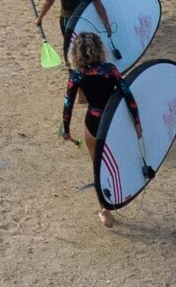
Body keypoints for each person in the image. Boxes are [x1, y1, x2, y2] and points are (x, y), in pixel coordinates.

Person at [61, 31, 145, 228]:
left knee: (98, 168)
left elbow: (68, 104)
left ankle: (105, 210)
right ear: (99, 48)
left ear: (76, 54)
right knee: (120, 159)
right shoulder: (110, 70)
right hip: (113, 121)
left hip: (93, 122)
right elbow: (128, 95)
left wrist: (66, 130)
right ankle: (125, 190)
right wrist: (137, 122)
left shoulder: (77, 75)